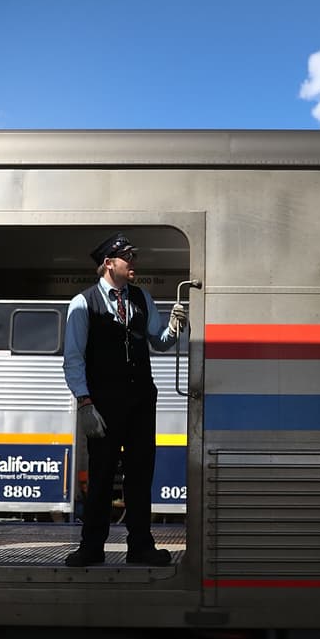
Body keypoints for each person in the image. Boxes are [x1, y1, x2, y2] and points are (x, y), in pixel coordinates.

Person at [63, 233, 187, 567]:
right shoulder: (83, 303)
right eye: (127, 256)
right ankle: (91, 547)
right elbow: (73, 358)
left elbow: (159, 342)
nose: (133, 262)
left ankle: (141, 546)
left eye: (133, 256)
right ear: (108, 263)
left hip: (141, 400)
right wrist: (84, 402)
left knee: (140, 474)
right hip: (103, 402)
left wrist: (175, 327)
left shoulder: (142, 297)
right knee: (101, 475)